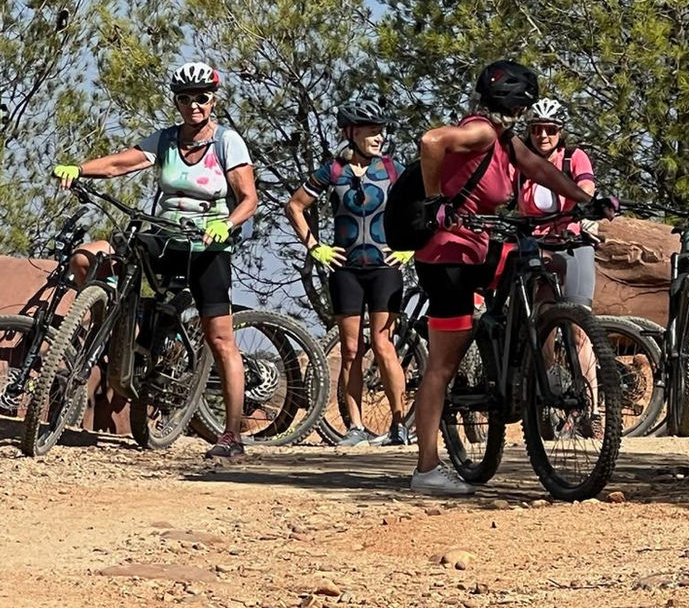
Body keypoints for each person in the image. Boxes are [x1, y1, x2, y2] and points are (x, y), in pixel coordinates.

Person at [408, 60, 616, 496]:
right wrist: (434, 203)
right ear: (518, 102)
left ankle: (508, 340)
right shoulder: (482, 131)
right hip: (446, 255)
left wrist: (586, 202)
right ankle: (427, 468)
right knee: (442, 366)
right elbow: (431, 141)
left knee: (530, 260)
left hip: (477, 247)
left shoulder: (504, 140)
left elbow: (543, 171)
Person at [52, 62, 257, 460]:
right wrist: (78, 169)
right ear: (177, 102)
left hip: (207, 248)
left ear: (213, 100)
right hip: (163, 239)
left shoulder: (227, 142)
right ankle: (112, 320)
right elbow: (118, 164)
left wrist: (225, 224)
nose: (194, 105)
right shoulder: (165, 140)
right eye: (185, 98)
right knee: (87, 258)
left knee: (220, 339)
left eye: (201, 97)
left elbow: (248, 198)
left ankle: (232, 434)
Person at [285, 98, 413, 447]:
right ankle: (355, 427)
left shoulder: (392, 170)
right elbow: (294, 205)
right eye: (371, 130)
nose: (379, 136)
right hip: (346, 270)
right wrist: (315, 246)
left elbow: (423, 206)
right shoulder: (333, 171)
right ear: (350, 132)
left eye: (381, 130)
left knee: (385, 345)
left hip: (385, 268)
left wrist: (410, 247)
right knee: (351, 349)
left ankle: (399, 425)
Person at [517, 98, 599, 307]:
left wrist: (585, 206)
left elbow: (586, 186)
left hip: (571, 241)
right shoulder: (521, 164)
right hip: (535, 242)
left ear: (560, 132)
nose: (543, 136)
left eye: (550, 130)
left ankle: (582, 340)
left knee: (579, 310)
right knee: (540, 311)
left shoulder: (573, 157)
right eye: (536, 129)